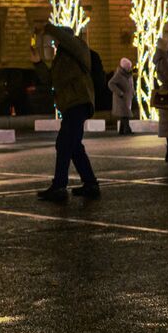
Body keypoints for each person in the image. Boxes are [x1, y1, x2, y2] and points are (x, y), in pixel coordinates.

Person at [31, 23, 99, 202]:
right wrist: (38, 62)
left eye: (58, 38)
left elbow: (66, 38)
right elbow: (49, 79)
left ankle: (59, 186)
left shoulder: (79, 48)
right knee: (74, 145)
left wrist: (47, 26)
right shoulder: (60, 57)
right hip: (69, 105)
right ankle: (91, 184)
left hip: (79, 101)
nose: (55, 42)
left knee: (63, 143)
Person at [108, 57, 136, 135]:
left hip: (127, 98)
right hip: (121, 99)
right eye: (128, 67)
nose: (130, 68)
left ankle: (121, 130)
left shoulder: (129, 74)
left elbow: (131, 84)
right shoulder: (118, 74)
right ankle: (127, 130)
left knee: (124, 115)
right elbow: (110, 83)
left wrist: (133, 91)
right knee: (125, 115)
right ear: (125, 67)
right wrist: (120, 92)